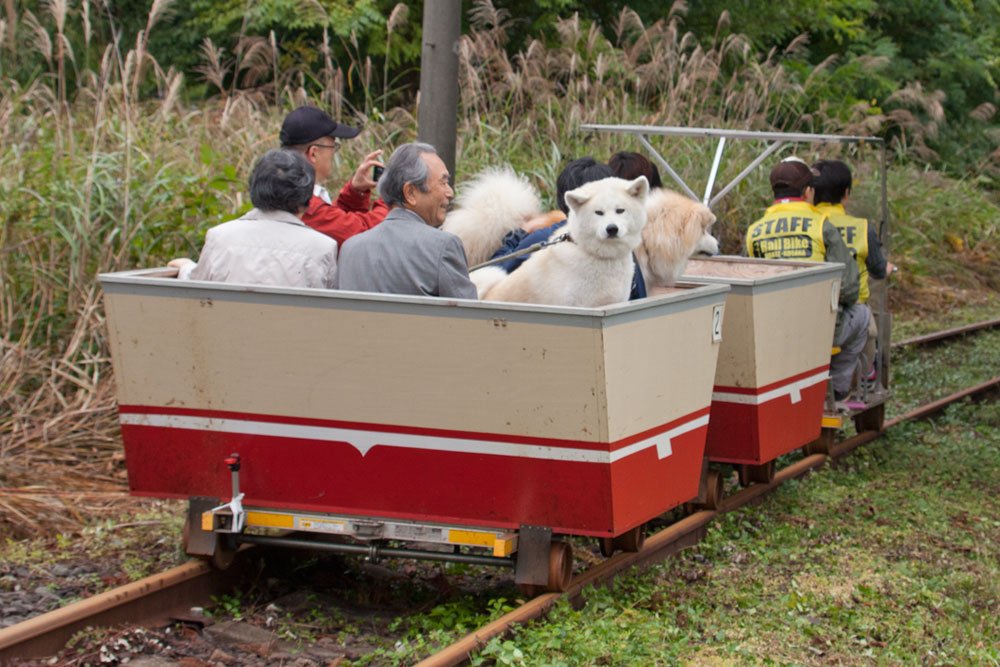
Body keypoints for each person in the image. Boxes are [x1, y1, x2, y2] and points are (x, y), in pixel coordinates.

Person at [744, 156, 864, 401]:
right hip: (818, 330)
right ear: (808, 192)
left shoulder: (754, 231)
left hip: (772, 329)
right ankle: (839, 388)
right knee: (862, 316)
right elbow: (850, 287)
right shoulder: (821, 226)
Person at [169, 149, 338, 288]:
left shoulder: (219, 237)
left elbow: (197, 285)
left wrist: (185, 267)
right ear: (307, 200)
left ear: (254, 189)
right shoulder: (323, 247)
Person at [335, 143, 477, 299]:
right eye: (443, 182)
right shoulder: (443, 246)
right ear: (410, 193)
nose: (450, 192)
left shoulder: (349, 248)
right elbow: (468, 312)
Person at [812, 159, 896, 386]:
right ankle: (865, 376)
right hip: (852, 311)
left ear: (811, 191)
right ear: (846, 193)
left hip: (812, 309)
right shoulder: (862, 227)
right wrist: (888, 269)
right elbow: (878, 269)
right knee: (869, 329)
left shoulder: (808, 224)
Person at [280, 106, 389, 246]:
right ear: (313, 153)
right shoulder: (304, 205)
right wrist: (393, 197)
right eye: (333, 147)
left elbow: (335, 223)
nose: (333, 154)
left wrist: (355, 192)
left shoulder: (284, 191)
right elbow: (365, 234)